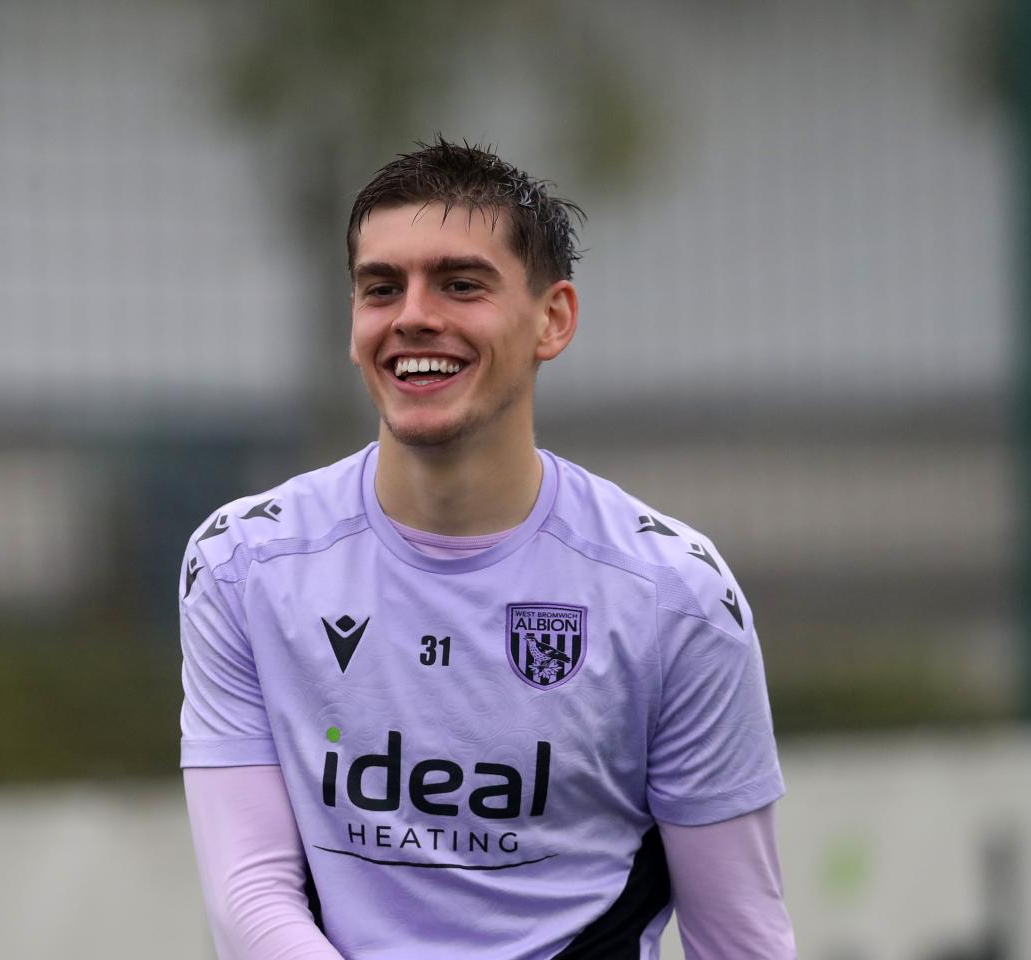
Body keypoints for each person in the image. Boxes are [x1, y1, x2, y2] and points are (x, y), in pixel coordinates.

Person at [180, 138, 795, 959]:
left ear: (554, 318)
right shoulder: (241, 563)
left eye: (461, 284)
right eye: (381, 288)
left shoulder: (674, 596)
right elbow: (249, 896)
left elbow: (740, 939)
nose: (413, 316)